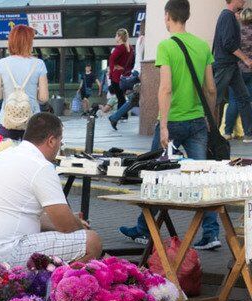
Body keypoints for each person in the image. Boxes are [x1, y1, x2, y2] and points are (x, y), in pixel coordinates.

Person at [120, 0, 222, 251]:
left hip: (173, 121)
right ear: (186, 16)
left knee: (154, 175)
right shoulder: (201, 45)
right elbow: (211, 88)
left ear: (167, 16)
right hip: (198, 121)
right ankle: (211, 233)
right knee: (202, 178)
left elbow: (165, 88)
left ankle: (144, 230)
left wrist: (163, 126)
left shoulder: (166, 46)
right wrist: (212, 120)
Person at [0, 114, 101, 268]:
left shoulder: (3, 156)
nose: (59, 147)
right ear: (51, 141)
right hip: (6, 255)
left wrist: (69, 219)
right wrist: (77, 222)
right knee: (92, 241)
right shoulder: (41, 166)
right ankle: (57, 285)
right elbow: (65, 226)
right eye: (60, 142)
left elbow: (28, 215)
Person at [0, 25, 49, 140]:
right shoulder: (39, 64)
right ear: (28, 42)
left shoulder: (2, 64)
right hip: (32, 121)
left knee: (9, 155)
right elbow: (44, 98)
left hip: (6, 120)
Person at [214, 0, 252, 141]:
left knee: (243, 98)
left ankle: (248, 134)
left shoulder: (230, 17)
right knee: (213, 98)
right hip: (225, 64)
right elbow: (228, 43)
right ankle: (201, 130)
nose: (244, 2)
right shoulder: (227, 16)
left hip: (232, 65)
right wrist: (246, 59)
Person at [224, 8, 252, 138]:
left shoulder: (237, 30)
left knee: (234, 100)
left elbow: (230, 46)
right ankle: (248, 134)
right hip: (250, 70)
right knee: (246, 101)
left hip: (236, 70)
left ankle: (228, 132)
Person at [106, 29, 136, 112]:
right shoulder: (130, 48)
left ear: (119, 37)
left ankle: (122, 115)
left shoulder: (120, 48)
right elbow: (131, 63)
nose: (115, 37)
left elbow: (112, 60)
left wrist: (112, 71)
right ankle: (122, 115)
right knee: (121, 96)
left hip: (116, 76)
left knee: (120, 97)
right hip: (124, 75)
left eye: (116, 36)